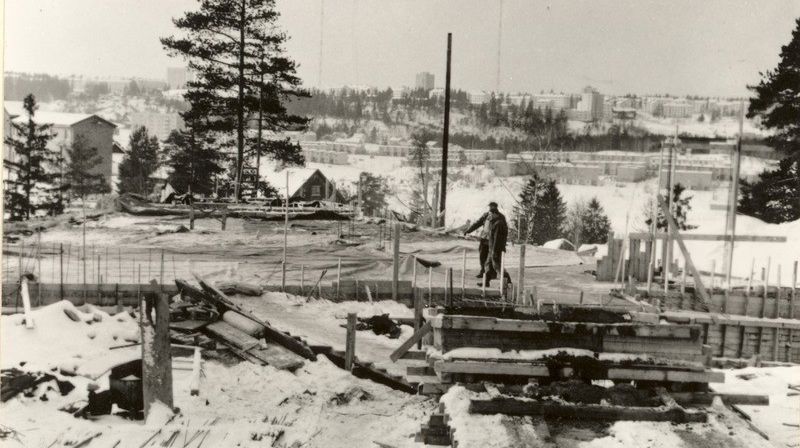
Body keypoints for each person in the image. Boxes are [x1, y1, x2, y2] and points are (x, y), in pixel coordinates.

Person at [464, 202, 509, 286]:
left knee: (496, 264)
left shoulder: (499, 220)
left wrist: (496, 249)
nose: (490, 215)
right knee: (485, 259)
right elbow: (477, 223)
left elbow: (499, 236)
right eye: (490, 207)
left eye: (492, 207)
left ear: (495, 208)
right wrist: (468, 230)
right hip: (485, 240)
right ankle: (485, 279)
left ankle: (507, 281)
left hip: (494, 244)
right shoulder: (486, 215)